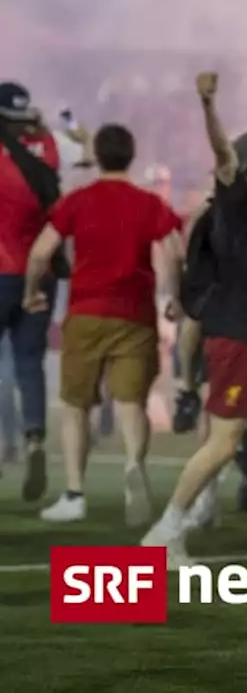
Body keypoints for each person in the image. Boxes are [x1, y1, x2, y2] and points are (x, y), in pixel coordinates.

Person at [142, 72, 247, 561]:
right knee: (224, 442)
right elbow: (223, 155)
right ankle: (166, 532)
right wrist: (208, 103)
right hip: (240, 338)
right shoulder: (237, 205)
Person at [26, 123, 183, 525]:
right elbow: (173, 252)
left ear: (96, 155)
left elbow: (41, 252)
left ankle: (75, 493)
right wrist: (176, 297)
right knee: (131, 403)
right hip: (135, 313)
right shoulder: (148, 203)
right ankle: (134, 465)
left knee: (77, 405)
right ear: (131, 155)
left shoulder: (78, 200)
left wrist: (31, 291)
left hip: (86, 311)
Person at [0, 80, 70, 501]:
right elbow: (79, 143)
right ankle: (35, 440)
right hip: (40, 272)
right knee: (30, 364)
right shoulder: (47, 148)